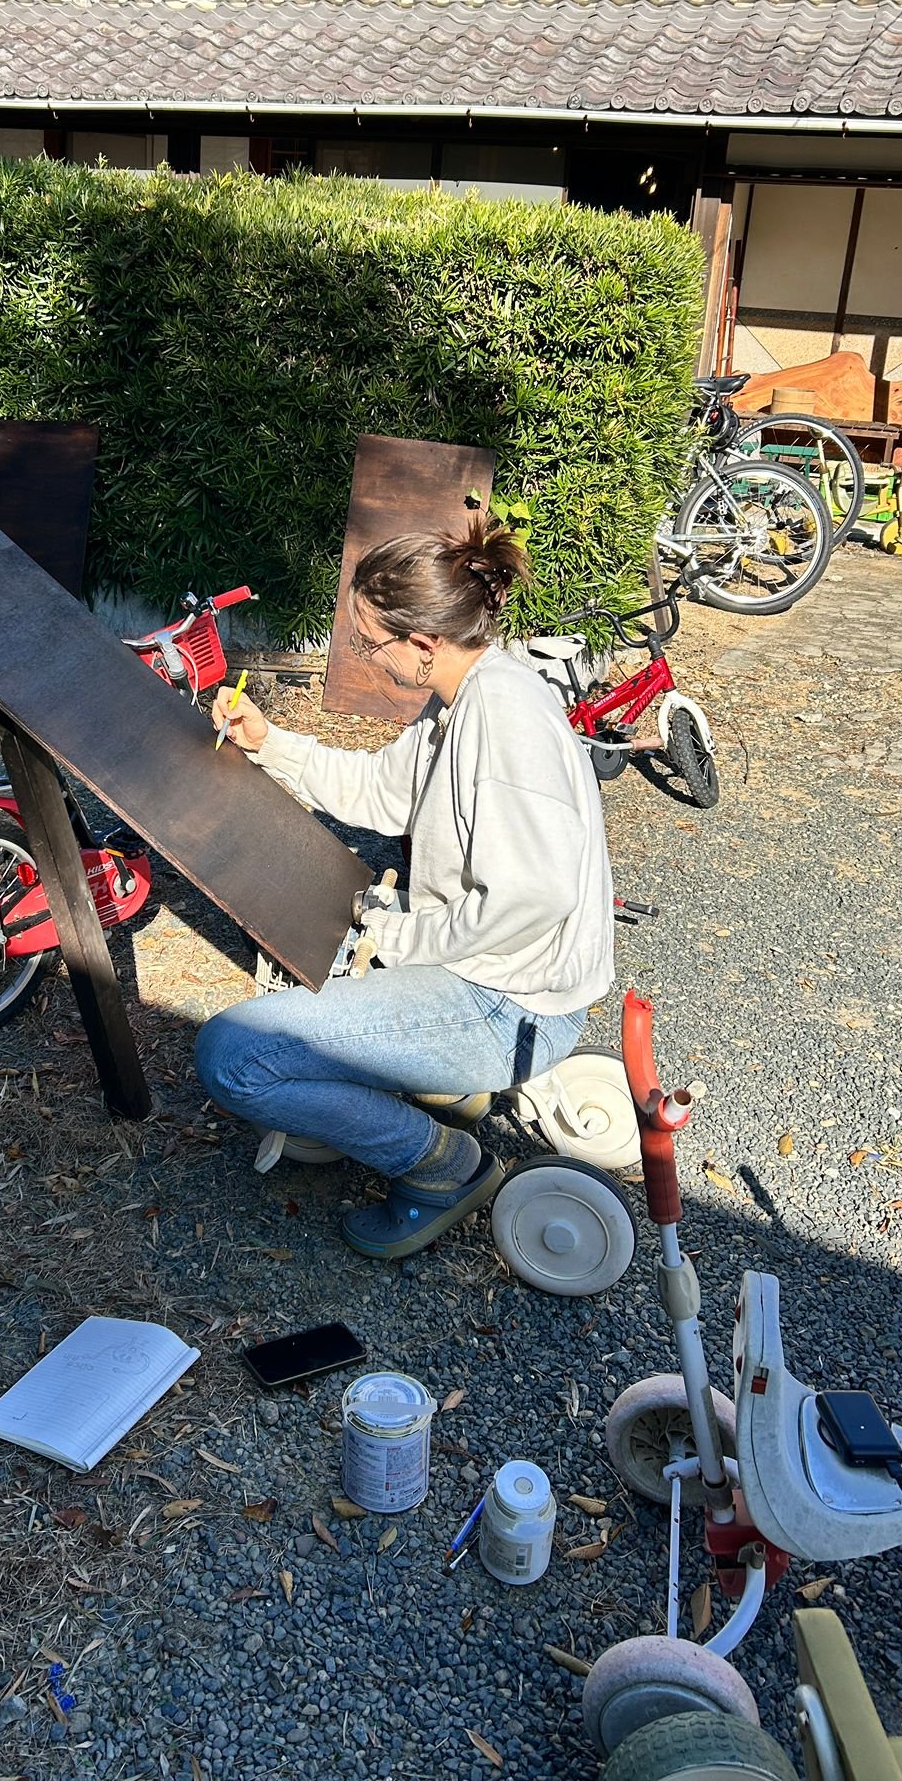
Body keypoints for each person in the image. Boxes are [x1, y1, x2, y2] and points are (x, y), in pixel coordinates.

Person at [194, 516, 615, 1260]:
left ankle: (448, 1167)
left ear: (423, 644)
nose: (363, 654)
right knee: (294, 1019)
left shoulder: (505, 719)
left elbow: (533, 896)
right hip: (495, 981)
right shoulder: (466, 692)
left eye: (369, 642)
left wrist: (402, 938)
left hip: (509, 1006)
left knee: (234, 1056)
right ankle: (439, 1088)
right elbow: (383, 794)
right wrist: (271, 744)